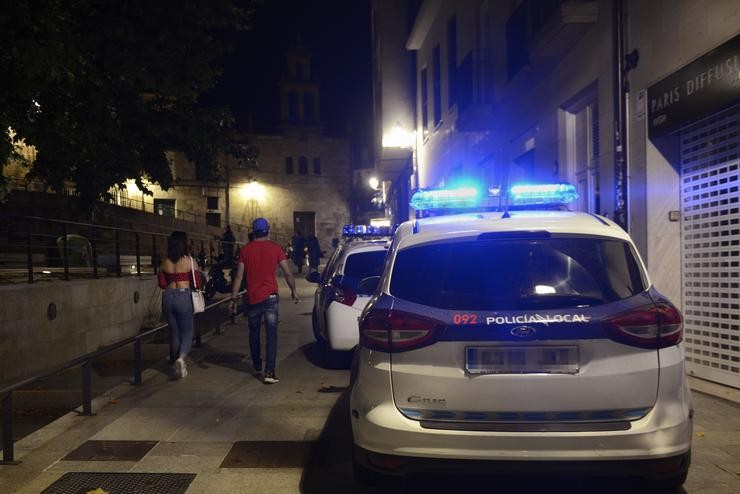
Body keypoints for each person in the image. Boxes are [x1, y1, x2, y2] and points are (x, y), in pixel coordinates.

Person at [230, 218, 299, 384]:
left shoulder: (245, 250)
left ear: (253, 232)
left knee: (253, 331)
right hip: (271, 298)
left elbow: (239, 276)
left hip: (252, 298)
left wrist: (233, 298)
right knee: (271, 335)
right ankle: (269, 372)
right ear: (267, 230)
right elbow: (287, 273)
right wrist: (293, 291)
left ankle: (256, 362)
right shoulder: (275, 248)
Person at [157, 231, 204, 379]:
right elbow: (198, 282)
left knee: (174, 332)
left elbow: (162, 283)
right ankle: (181, 359)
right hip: (184, 296)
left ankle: (173, 359)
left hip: (168, 296)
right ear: (185, 243)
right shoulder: (190, 261)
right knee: (187, 333)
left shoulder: (165, 262)